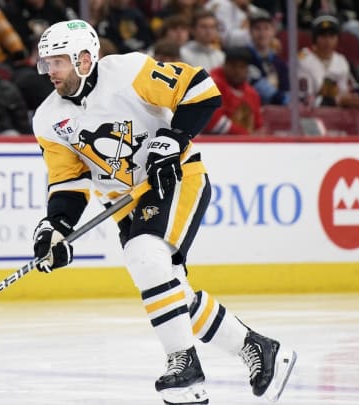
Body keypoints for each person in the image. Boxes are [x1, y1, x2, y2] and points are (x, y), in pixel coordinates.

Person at [30, 19, 296, 404]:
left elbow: (202, 90)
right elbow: (68, 183)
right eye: (46, 63)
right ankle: (257, 348)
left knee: (144, 255)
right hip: (125, 204)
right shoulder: (48, 119)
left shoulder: (128, 72)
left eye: (58, 62)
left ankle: (183, 365)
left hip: (175, 180)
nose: (50, 71)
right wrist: (55, 226)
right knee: (170, 291)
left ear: (85, 59)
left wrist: (173, 138)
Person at [298, 14, 359, 108]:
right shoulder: (303, 60)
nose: (328, 41)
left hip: (339, 116)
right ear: (314, 39)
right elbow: (304, 101)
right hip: (311, 116)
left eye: (332, 36)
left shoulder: (341, 61)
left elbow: (345, 93)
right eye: (323, 36)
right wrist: (337, 101)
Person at [206, 47, 264, 135]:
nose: (238, 71)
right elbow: (212, 121)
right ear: (225, 65)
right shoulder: (212, 85)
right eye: (233, 66)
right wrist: (245, 135)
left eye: (242, 67)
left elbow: (258, 127)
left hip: (244, 146)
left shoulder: (252, 94)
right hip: (213, 144)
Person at [246, 8, 289, 105]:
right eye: (257, 28)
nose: (262, 33)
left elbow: (287, 89)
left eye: (266, 28)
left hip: (278, 113)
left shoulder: (280, 62)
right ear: (250, 31)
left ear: (273, 31)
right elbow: (259, 87)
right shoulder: (244, 57)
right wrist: (284, 99)